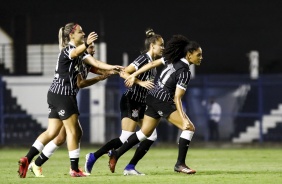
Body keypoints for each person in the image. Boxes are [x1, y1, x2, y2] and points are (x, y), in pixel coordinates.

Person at [17, 22, 123, 178]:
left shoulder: (81, 54)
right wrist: (87, 45)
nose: (83, 34)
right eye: (80, 32)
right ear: (71, 35)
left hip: (56, 94)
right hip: (64, 96)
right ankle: (74, 169)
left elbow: (96, 64)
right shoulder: (68, 50)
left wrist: (112, 68)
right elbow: (76, 58)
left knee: (54, 132)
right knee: (73, 132)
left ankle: (28, 158)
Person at [108, 35, 203, 174]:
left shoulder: (173, 59)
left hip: (152, 96)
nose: (201, 57)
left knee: (144, 133)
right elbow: (177, 97)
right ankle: (180, 164)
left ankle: (116, 153)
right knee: (189, 128)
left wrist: (135, 74)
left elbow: (152, 64)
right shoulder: (185, 72)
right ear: (189, 55)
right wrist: (183, 119)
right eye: (198, 55)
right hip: (163, 100)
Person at [84, 28, 164, 176]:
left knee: (151, 136)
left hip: (141, 103)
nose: (163, 48)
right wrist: (140, 82)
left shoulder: (153, 63)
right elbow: (124, 72)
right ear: (153, 45)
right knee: (126, 137)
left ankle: (130, 167)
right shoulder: (143, 59)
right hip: (131, 100)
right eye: (161, 45)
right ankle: (93, 156)